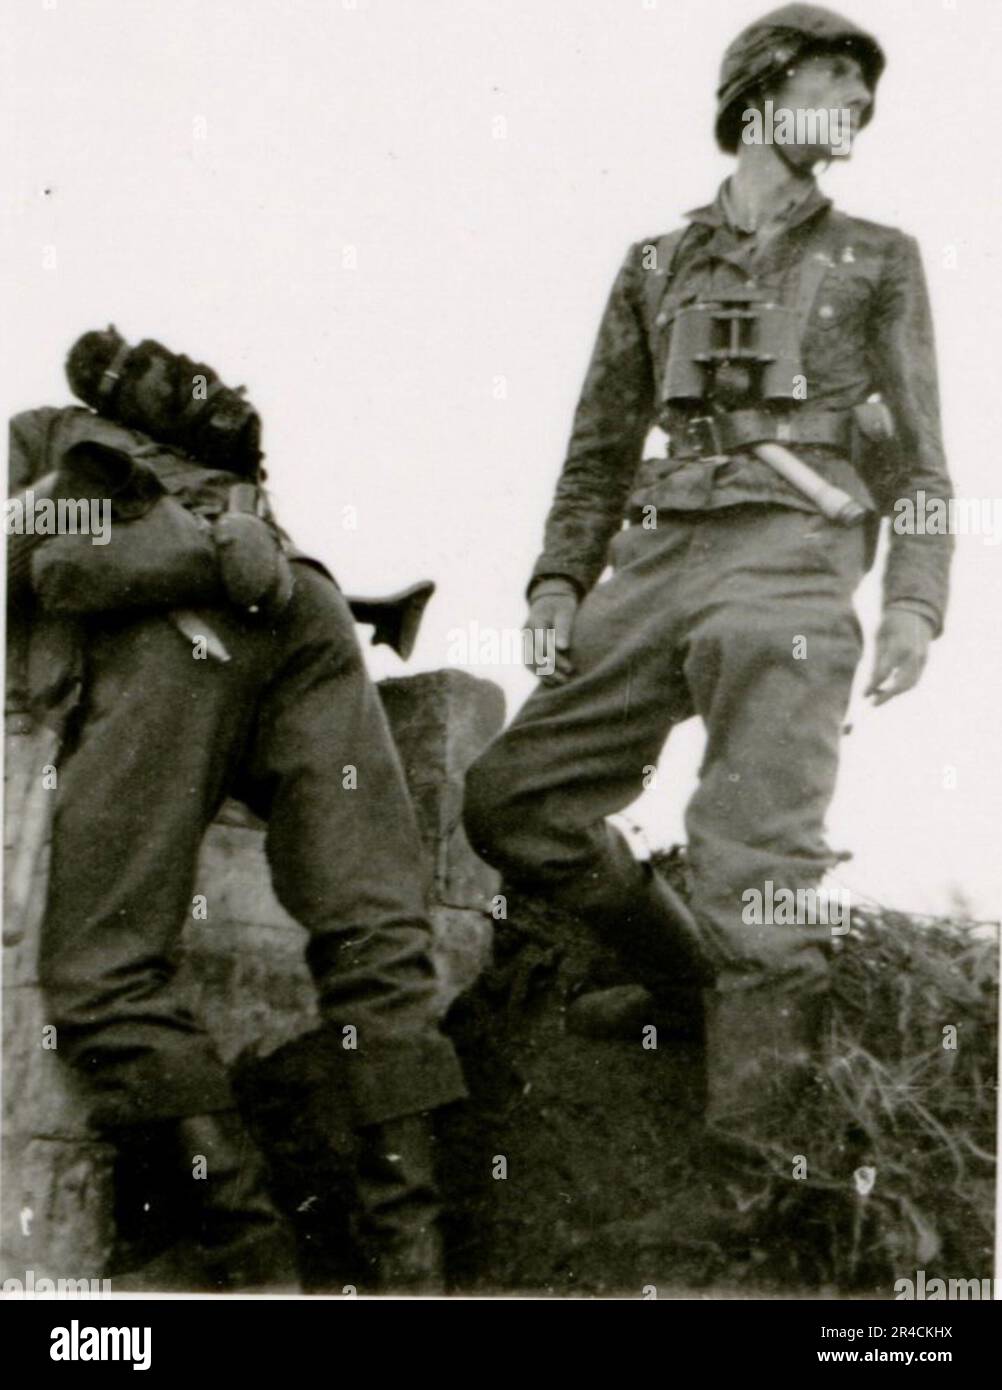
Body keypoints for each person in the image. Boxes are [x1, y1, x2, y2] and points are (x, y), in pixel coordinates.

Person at [462, 5, 953, 1130]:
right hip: (661, 552)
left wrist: (917, 601)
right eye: (836, 86)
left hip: (795, 555)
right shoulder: (653, 263)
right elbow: (597, 446)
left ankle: (761, 1174)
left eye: (865, 99)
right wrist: (555, 581)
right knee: (512, 798)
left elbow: (924, 458)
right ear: (761, 95)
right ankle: (685, 984)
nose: (857, 113)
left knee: (759, 867)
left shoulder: (880, 258)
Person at [7, 327, 466, 1290]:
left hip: (177, 644)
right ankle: (411, 1266)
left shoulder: (47, 437)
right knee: (378, 936)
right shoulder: (227, 463)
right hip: (309, 607)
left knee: (100, 972)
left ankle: (251, 1256)